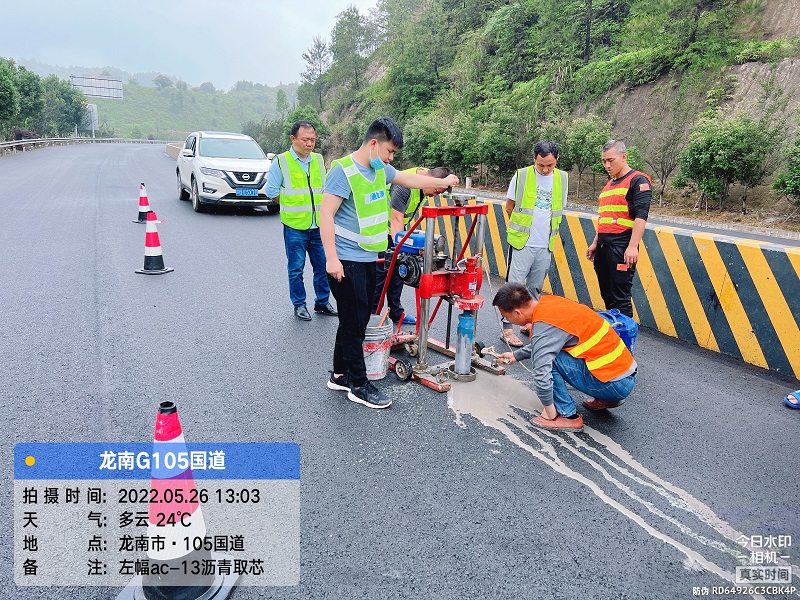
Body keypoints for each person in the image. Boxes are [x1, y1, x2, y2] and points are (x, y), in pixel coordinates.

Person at [319, 117, 459, 409]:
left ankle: (339, 373)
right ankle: (358, 384)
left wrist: (441, 182)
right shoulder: (342, 172)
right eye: (389, 152)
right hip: (347, 260)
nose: (391, 158)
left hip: (371, 256)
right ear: (374, 144)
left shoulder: (379, 169)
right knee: (355, 323)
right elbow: (326, 216)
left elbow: (412, 179)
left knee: (352, 319)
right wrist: (331, 258)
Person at [494, 283, 638, 432]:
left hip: (614, 385)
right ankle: (606, 398)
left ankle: (568, 416)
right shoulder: (550, 304)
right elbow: (545, 342)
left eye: (506, 317)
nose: (507, 320)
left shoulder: (544, 324)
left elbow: (541, 370)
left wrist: (550, 412)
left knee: (549, 360)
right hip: (625, 375)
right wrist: (516, 355)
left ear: (517, 313)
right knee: (547, 353)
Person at [266, 120, 337, 322]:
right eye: (305, 139)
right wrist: (292, 204)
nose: (309, 143)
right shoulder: (281, 161)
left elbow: (324, 189)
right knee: (296, 268)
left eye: (313, 140)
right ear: (293, 139)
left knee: (323, 266)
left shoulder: (318, 160)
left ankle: (322, 302)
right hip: (295, 226)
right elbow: (271, 192)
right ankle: (299, 304)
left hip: (318, 225)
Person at [501, 140, 568, 348]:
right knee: (514, 287)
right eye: (541, 165)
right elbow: (509, 207)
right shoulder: (521, 175)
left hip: (546, 243)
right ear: (534, 160)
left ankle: (528, 323)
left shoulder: (563, 178)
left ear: (556, 160)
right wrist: (522, 231)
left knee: (535, 288)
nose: (545, 169)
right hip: (523, 242)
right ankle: (507, 329)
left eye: (550, 164)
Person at [372, 166, 452, 327]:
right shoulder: (404, 185)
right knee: (381, 275)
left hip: (396, 232)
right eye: (437, 191)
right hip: (380, 231)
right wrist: (399, 249)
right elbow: (396, 219)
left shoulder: (423, 184)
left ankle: (396, 313)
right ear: (431, 180)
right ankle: (372, 315)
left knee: (398, 274)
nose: (436, 195)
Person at [586, 140, 652, 318]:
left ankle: (624, 342)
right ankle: (614, 337)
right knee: (607, 294)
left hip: (622, 245)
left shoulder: (638, 180)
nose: (607, 165)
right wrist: (595, 243)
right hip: (603, 246)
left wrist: (632, 246)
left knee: (620, 296)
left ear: (624, 157)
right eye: (604, 161)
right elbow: (605, 218)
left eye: (611, 160)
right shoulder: (609, 185)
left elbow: (641, 215)